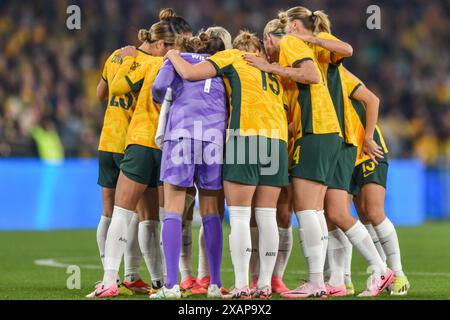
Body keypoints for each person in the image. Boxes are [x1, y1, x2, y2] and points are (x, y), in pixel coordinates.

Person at [165, 30, 289, 299]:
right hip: (278, 141)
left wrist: (173, 54)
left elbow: (190, 73)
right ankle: (265, 284)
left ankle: (242, 285)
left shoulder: (232, 57)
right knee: (267, 217)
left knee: (241, 218)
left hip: (246, 136)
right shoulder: (272, 70)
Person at [88, 8, 192, 299]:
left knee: (116, 213)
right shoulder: (175, 64)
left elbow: (105, 92)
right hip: (164, 144)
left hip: (123, 139)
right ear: (164, 44)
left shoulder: (126, 57)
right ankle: (160, 282)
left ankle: (113, 279)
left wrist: (127, 61)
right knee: (153, 217)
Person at [149, 32, 228, 299]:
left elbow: (159, 90)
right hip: (215, 138)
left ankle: (171, 286)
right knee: (211, 211)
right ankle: (215, 284)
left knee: (173, 209)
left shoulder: (177, 58)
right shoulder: (224, 62)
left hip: (182, 133)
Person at [94, 39, 158, 295]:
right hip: (134, 142)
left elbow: (101, 93)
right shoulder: (153, 63)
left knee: (109, 213)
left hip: (108, 139)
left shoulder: (116, 55)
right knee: (141, 214)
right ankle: (135, 275)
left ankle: (111, 277)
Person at [342, 71, 410, 296]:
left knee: (373, 211)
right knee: (357, 215)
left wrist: (369, 137)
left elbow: (373, 99)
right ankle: (379, 273)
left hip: (367, 148)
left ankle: (398, 275)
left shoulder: (338, 73)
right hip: (344, 151)